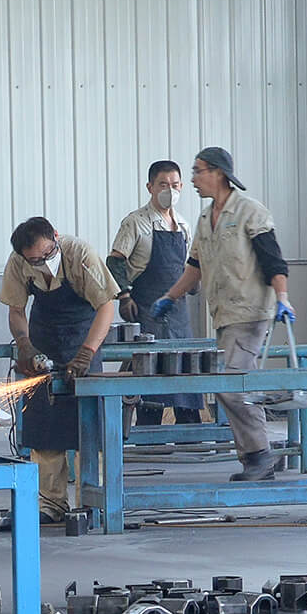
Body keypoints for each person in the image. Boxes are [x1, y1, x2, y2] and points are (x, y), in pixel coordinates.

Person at [150, 148, 294, 483]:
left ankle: (260, 456)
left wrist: (283, 298)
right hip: (224, 314)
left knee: (231, 385)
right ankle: (258, 456)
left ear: (218, 173)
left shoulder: (250, 212)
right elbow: (195, 267)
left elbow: (274, 262)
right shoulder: (204, 219)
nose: (194, 179)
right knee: (235, 384)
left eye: (197, 171)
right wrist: (170, 297)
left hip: (250, 311)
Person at [0, 217, 119, 521]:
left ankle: (93, 504)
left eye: (45, 256)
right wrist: (25, 344)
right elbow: (16, 310)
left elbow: (106, 305)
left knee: (87, 426)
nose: (40, 263)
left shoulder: (80, 254)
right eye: (33, 260)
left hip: (83, 336)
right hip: (44, 338)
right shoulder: (18, 262)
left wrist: (87, 352)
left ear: (55, 237)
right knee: (45, 426)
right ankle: (50, 505)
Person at [107, 159, 203, 428]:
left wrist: (194, 281)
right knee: (151, 376)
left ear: (181, 186)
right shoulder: (136, 223)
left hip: (179, 313)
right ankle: (148, 434)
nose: (169, 190)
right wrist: (124, 296)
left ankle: (190, 435)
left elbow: (189, 264)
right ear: (150, 187)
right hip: (148, 309)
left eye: (174, 185)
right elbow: (115, 260)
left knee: (185, 372)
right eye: (163, 184)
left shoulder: (183, 225)